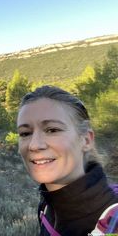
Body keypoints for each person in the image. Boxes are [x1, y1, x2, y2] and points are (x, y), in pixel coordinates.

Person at [16, 85, 118, 235]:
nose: (34, 145)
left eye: (52, 130)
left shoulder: (112, 221)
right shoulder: (47, 207)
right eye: (25, 133)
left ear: (86, 140)